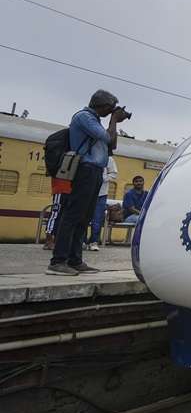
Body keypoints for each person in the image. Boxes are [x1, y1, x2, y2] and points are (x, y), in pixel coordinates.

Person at [47, 90, 130, 276]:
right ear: (101, 104)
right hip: (84, 170)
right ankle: (58, 261)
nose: (111, 111)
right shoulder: (84, 117)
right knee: (72, 216)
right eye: (110, 108)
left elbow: (112, 144)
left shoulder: (97, 121)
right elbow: (108, 137)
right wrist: (114, 120)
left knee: (84, 217)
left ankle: (75, 260)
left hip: (95, 172)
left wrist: (113, 122)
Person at [86, 156, 118, 251]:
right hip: (86, 192)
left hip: (101, 194)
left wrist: (102, 178)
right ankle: (81, 241)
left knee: (97, 219)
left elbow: (114, 174)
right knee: (83, 218)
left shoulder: (109, 159)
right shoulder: (87, 154)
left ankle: (94, 242)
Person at [42, 176, 72, 250]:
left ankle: (57, 239)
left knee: (64, 216)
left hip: (70, 189)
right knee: (55, 214)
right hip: (61, 188)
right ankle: (49, 238)